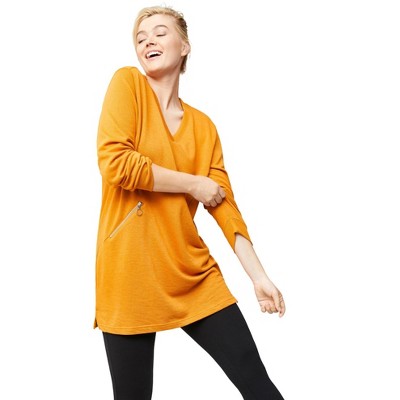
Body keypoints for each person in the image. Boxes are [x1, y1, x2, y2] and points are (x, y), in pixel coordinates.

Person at [94, 5, 286, 399]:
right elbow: (116, 163)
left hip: (190, 273)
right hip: (129, 275)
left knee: (258, 386)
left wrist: (259, 277)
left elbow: (224, 205)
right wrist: (193, 184)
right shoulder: (127, 84)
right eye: (140, 37)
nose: (148, 40)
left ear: (184, 46)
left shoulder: (203, 127)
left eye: (160, 32)